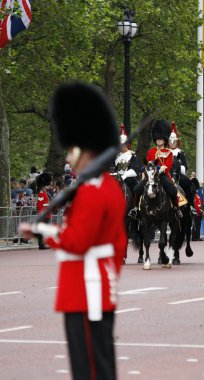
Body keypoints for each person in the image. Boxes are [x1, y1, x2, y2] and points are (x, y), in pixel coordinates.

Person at [19, 81, 127, 380]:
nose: (68, 158)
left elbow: (78, 241)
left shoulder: (93, 190)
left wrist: (42, 231)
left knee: (89, 369)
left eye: (71, 150)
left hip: (86, 290)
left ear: (84, 148)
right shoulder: (103, 187)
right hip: (95, 285)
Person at [130, 119, 182, 219]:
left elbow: (169, 164)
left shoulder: (169, 152)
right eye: (157, 138)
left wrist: (163, 168)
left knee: (172, 190)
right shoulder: (151, 151)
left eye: (161, 139)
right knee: (138, 188)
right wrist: (144, 170)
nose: (159, 140)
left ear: (164, 140)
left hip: (162, 175)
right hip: (151, 175)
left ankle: (176, 209)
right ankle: (135, 208)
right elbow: (148, 163)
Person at [168, 121, 196, 213]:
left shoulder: (180, 152)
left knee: (187, 183)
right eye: (171, 141)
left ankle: (190, 205)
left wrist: (179, 168)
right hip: (166, 174)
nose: (172, 143)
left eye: (174, 141)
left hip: (178, 174)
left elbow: (184, 166)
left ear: (177, 141)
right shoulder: (164, 151)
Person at [115, 124, 139, 198]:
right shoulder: (115, 156)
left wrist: (125, 175)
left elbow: (134, 170)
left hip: (128, 178)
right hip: (116, 178)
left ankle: (135, 207)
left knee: (136, 189)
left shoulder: (132, 155)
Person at [36, 172, 52, 250]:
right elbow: (40, 205)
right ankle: (41, 244)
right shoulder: (41, 192)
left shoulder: (44, 192)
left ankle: (42, 243)